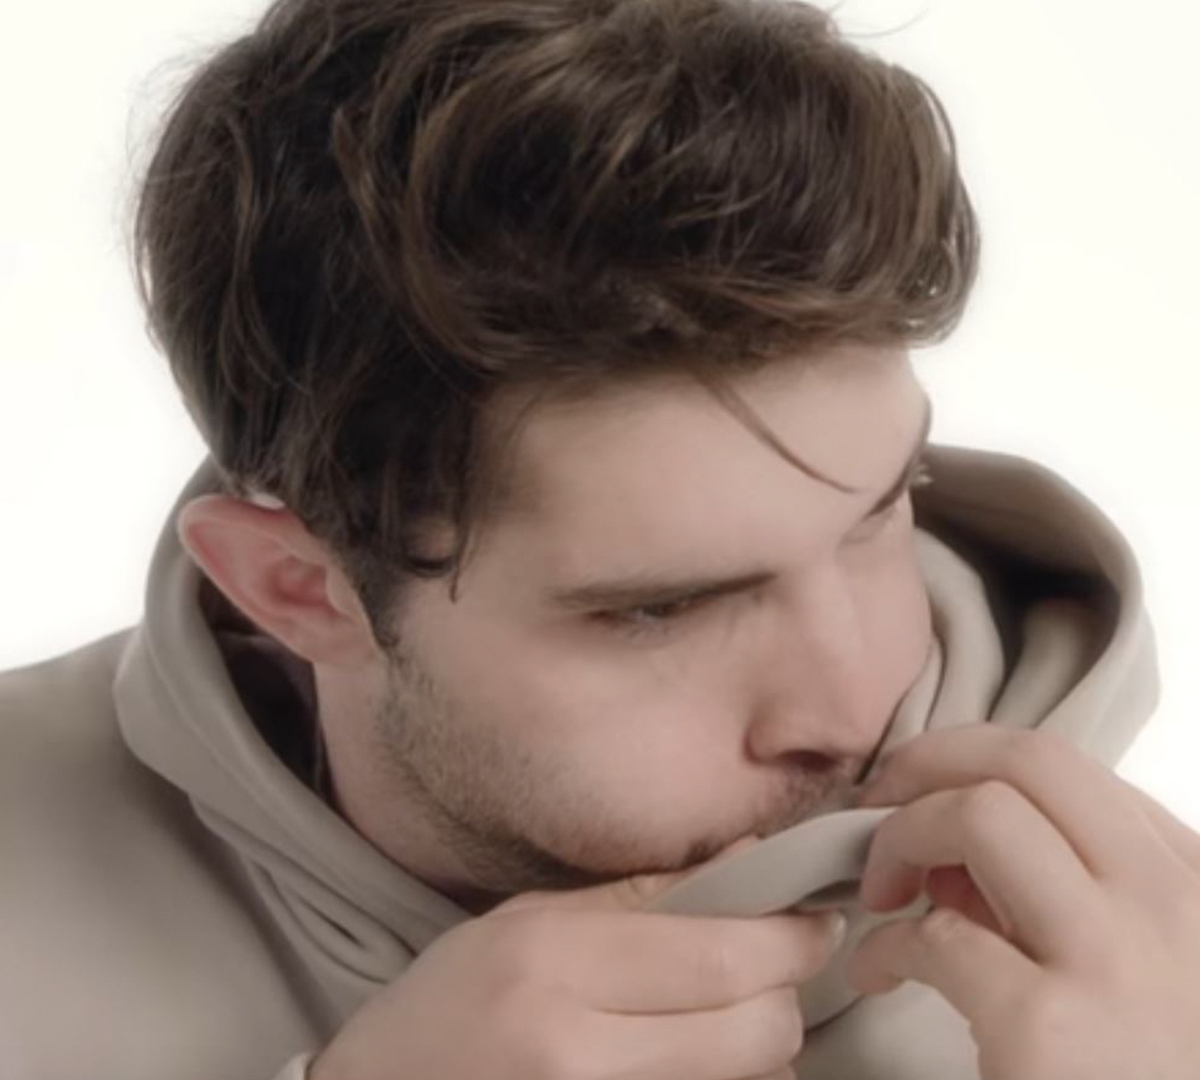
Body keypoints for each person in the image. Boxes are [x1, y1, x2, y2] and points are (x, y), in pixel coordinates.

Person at [3, 0, 1197, 1077]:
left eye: (882, 507)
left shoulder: (1160, 972)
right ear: (298, 590)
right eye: (661, 609)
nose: (853, 703)